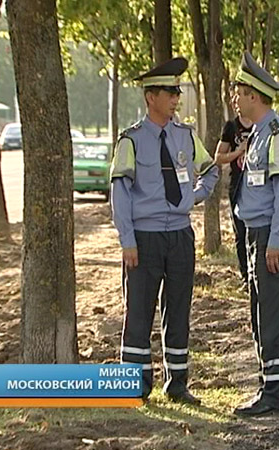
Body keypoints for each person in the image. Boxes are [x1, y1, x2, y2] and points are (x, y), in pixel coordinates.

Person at [109, 57, 219, 403]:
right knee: (138, 312)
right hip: (144, 238)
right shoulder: (131, 140)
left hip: (180, 237)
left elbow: (210, 169)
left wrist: (193, 197)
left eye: (177, 92)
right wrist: (127, 240)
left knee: (179, 310)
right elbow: (120, 194)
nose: (176, 99)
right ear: (150, 97)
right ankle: (135, 386)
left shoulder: (185, 136)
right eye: (170, 92)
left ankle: (178, 384)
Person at [232, 51, 279, 416]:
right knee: (260, 314)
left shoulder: (276, 135)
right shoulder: (258, 134)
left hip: (270, 237)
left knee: (273, 315)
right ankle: (267, 384)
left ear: (254, 97)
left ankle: (276, 394)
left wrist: (275, 240)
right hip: (255, 233)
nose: (235, 98)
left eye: (239, 91)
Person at [215, 91, 254, 286]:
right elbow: (218, 157)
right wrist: (238, 152)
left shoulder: (260, 124)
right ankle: (246, 275)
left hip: (258, 185)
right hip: (237, 184)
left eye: (239, 97)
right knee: (240, 231)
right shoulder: (231, 127)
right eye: (233, 98)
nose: (236, 102)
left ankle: (258, 272)